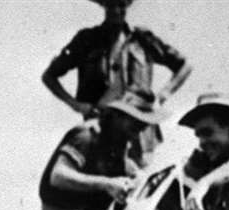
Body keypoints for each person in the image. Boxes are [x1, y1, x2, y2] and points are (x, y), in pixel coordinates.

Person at [34, 89, 158, 210]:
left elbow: (116, 162)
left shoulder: (119, 141)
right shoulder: (86, 135)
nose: (141, 127)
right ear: (118, 116)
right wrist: (106, 184)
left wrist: (137, 176)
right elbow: (58, 176)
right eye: (135, 121)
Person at [41, 0, 191, 160]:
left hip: (140, 130)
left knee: (143, 176)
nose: (116, 10)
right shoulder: (87, 39)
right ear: (103, 5)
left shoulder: (142, 39)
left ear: (128, 5)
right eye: (111, 5)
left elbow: (184, 66)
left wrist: (162, 97)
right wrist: (76, 105)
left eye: (121, 4)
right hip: (102, 127)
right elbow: (49, 76)